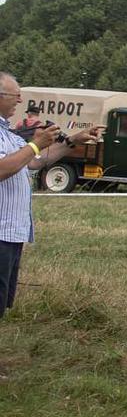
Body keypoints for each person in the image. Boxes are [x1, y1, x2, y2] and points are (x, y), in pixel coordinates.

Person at [0, 71, 104, 319]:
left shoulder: (7, 133)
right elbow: (3, 168)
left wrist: (72, 141)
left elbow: (33, 162)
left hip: (11, 232)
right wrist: (36, 143)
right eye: (16, 95)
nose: (19, 101)